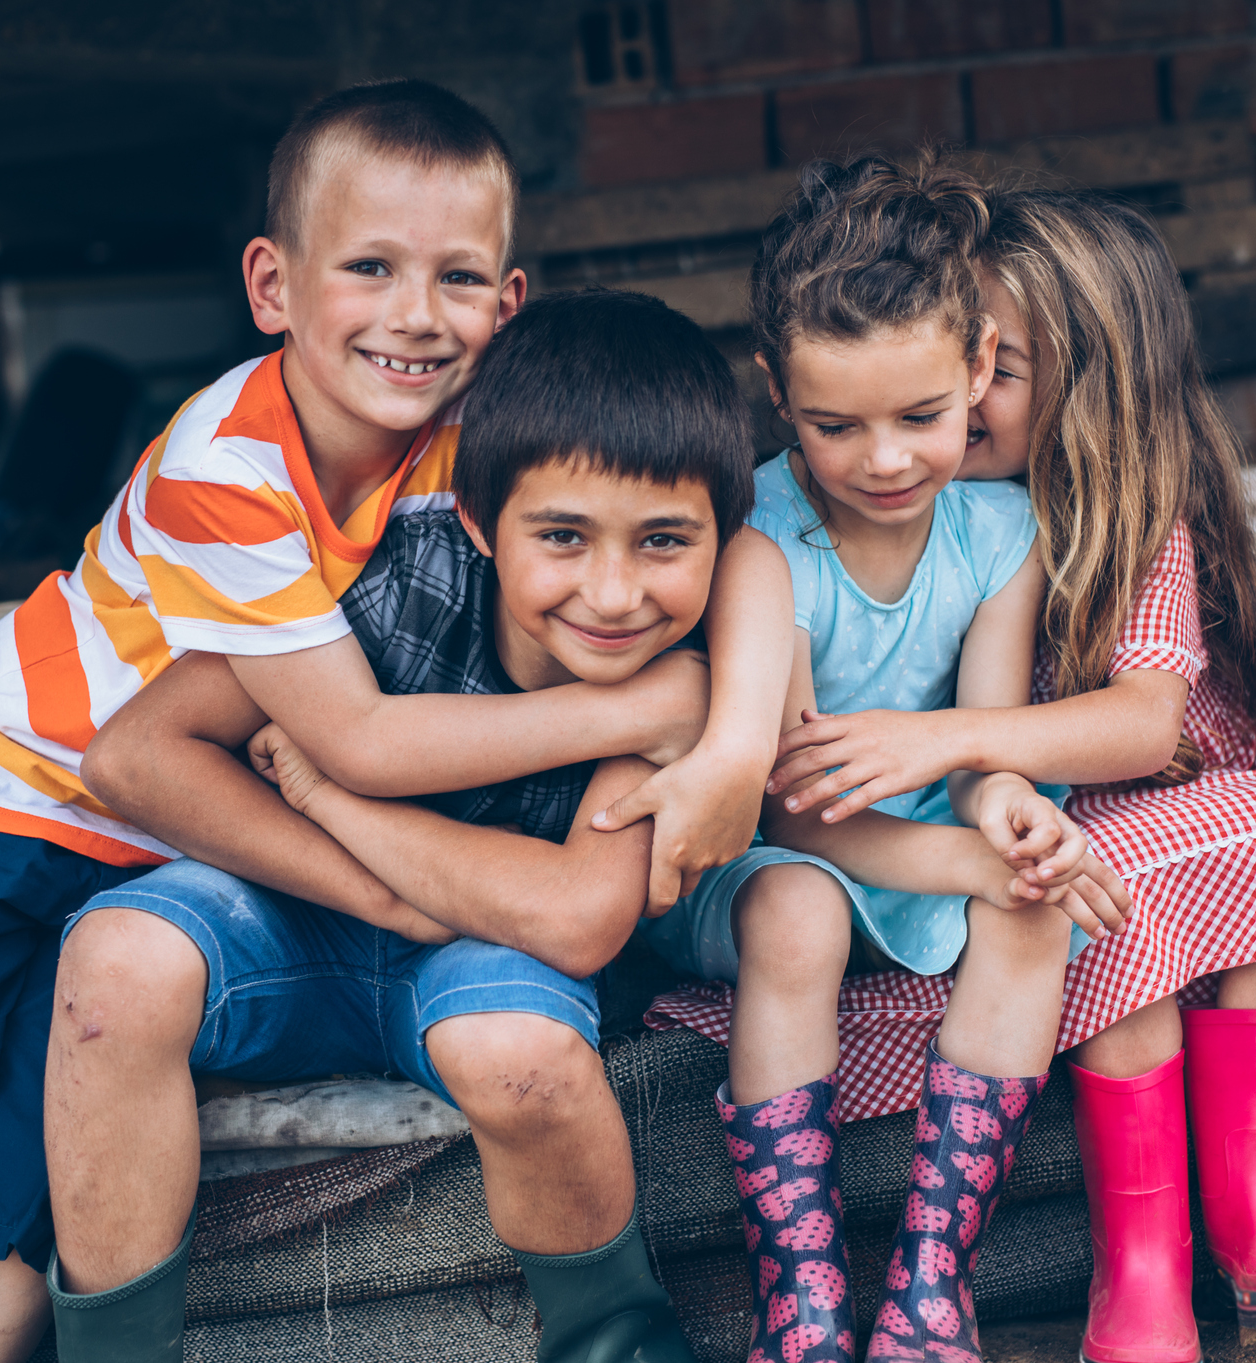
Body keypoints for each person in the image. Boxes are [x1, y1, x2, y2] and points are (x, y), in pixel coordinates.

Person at [0, 81, 788, 1363]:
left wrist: (722, 735)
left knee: (15, 1220)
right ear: (273, 287)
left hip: (153, 851)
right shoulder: (222, 470)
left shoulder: (468, 443)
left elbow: (734, 536)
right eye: (372, 268)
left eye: (457, 278)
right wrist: (634, 706)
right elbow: (353, 745)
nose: (414, 314)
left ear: (509, 305)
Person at [54, 287, 756, 1362]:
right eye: (561, 536)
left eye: (663, 540)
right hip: (292, 919)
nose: (614, 594)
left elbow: (575, 920)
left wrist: (333, 794)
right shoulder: (398, 575)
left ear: (721, 539)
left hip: (492, 955)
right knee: (115, 962)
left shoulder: (687, 664)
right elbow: (135, 756)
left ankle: (614, 1339)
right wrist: (370, 879)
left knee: (523, 1053)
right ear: (478, 520)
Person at [766, 190, 1256, 1360]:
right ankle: (1139, 1276)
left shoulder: (1127, 524)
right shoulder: (914, 524)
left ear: (1082, 386)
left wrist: (942, 740)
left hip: (1164, 837)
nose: (967, 385)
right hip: (1019, 872)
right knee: (1084, 871)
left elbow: (1146, 726)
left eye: (998, 364)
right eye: (967, 352)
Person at [636, 158, 1132, 1363]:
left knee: (1031, 907)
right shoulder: (761, 544)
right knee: (802, 914)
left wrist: (1011, 820)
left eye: (922, 416)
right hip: (764, 859)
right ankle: (800, 1296)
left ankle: (931, 1283)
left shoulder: (1002, 533)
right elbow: (784, 805)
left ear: (977, 372)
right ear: (776, 393)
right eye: (833, 424)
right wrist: (963, 856)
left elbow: (982, 742)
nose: (885, 460)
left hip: (922, 837)